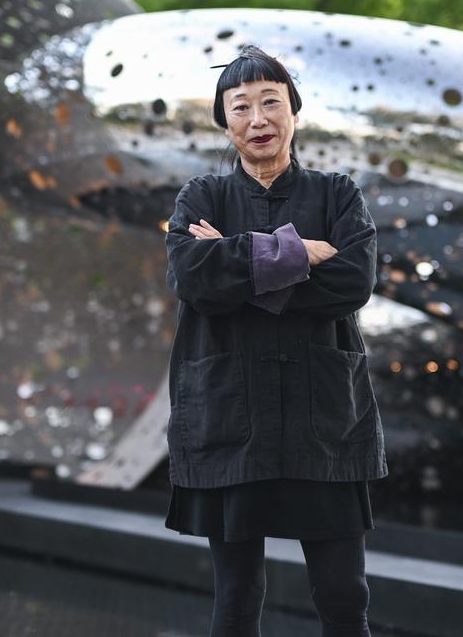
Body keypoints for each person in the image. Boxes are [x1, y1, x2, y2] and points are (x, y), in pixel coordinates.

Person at [163, 44, 388, 637]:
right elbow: (191, 277)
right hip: (231, 416)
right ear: (224, 120)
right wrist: (296, 253)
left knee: (345, 596)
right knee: (236, 597)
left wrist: (235, 261)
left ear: (294, 111)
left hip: (322, 416)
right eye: (241, 107)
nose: (257, 119)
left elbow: (352, 282)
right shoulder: (201, 197)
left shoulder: (338, 194)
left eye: (271, 103)